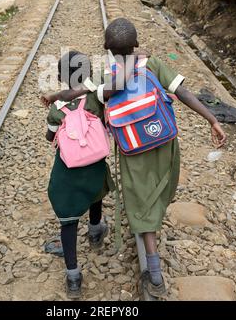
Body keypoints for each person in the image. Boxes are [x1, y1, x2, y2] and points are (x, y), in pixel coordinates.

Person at [43, 18, 226, 298]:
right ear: (136, 44)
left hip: (132, 148)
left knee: (138, 198)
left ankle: (154, 274)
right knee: (156, 191)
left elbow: (81, 91)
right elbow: (183, 92)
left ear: (107, 48)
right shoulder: (151, 64)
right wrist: (212, 119)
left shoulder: (108, 76)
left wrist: (56, 95)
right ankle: (152, 227)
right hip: (165, 141)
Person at [43, 51, 114, 300]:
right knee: (96, 191)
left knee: (68, 219)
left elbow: (50, 137)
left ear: (62, 78)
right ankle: (95, 229)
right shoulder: (96, 98)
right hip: (94, 163)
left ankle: (73, 275)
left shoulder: (56, 107)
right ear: (89, 74)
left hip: (68, 170)